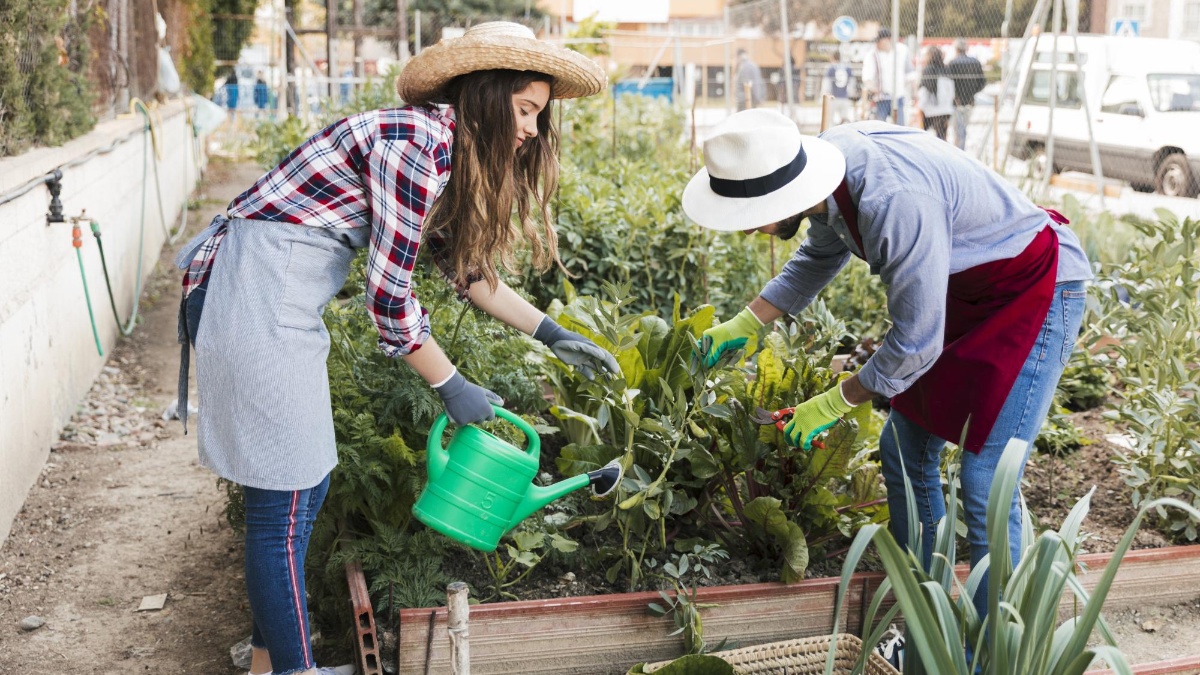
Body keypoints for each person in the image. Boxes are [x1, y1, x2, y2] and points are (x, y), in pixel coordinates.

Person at [173, 22, 618, 675]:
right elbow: (388, 298)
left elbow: (464, 270)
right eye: (525, 110)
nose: (530, 130)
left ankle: (268, 665)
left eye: (537, 116)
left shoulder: (439, 147)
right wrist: (450, 384)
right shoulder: (416, 146)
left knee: (303, 491)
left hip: (272, 294)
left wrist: (553, 333)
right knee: (284, 506)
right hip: (254, 294)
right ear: (487, 95)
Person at [685, 110, 1091, 620]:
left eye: (752, 217)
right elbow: (818, 257)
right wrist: (748, 322)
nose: (750, 232)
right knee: (902, 448)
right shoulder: (823, 172)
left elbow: (916, 343)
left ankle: (993, 648)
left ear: (784, 194)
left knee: (987, 480)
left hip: (1035, 291)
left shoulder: (892, 199)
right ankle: (927, 618)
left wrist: (833, 403)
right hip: (962, 293)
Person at [861, 29, 913, 124]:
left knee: (900, 126)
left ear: (887, 40)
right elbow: (867, 76)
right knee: (879, 125)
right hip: (881, 98)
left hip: (898, 96)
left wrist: (913, 90)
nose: (877, 44)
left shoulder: (902, 50)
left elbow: (910, 73)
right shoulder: (872, 54)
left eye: (879, 41)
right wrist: (872, 88)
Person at [948, 38, 986, 150]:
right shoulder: (975, 62)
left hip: (957, 101)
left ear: (956, 49)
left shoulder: (953, 63)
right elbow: (982, 82)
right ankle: (961, 149)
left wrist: (956, 95)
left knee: (958, 129)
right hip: (970, 99)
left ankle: (959, 151)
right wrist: (972, 92)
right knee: (964, 127)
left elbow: (949, 83)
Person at [917, 46, 955, 141]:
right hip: (945, 108)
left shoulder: (928, 69)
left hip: (931, 108)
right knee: (942, 136)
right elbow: (951, 89)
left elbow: (925, 89)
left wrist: (920, 105)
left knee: (922, 134)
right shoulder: (946, 69)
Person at [821, 48, 857, 126]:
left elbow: (826, 84)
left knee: (830, 121)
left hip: (833, 97)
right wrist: (851, 94)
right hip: (844, 97)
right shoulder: (847, 68)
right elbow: (852, 83)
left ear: (833, 57)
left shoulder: (831, 68)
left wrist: (825, 94)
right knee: (844, 121)